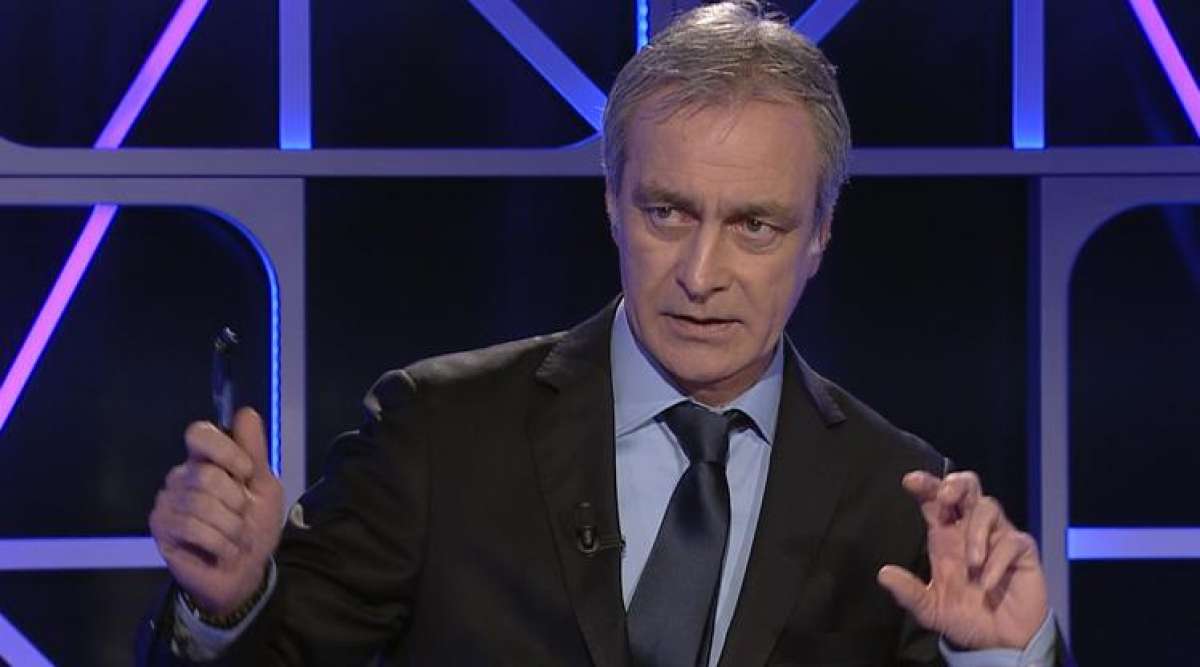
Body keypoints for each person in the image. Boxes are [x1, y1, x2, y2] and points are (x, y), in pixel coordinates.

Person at [140, 2, 1068, 665]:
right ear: (612, 204)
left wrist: (1006, 656)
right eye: (668, 211)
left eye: (755, 225)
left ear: (820, 234)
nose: (700, 273)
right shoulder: (439, 432)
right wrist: (229, 606)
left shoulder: (896, 498)